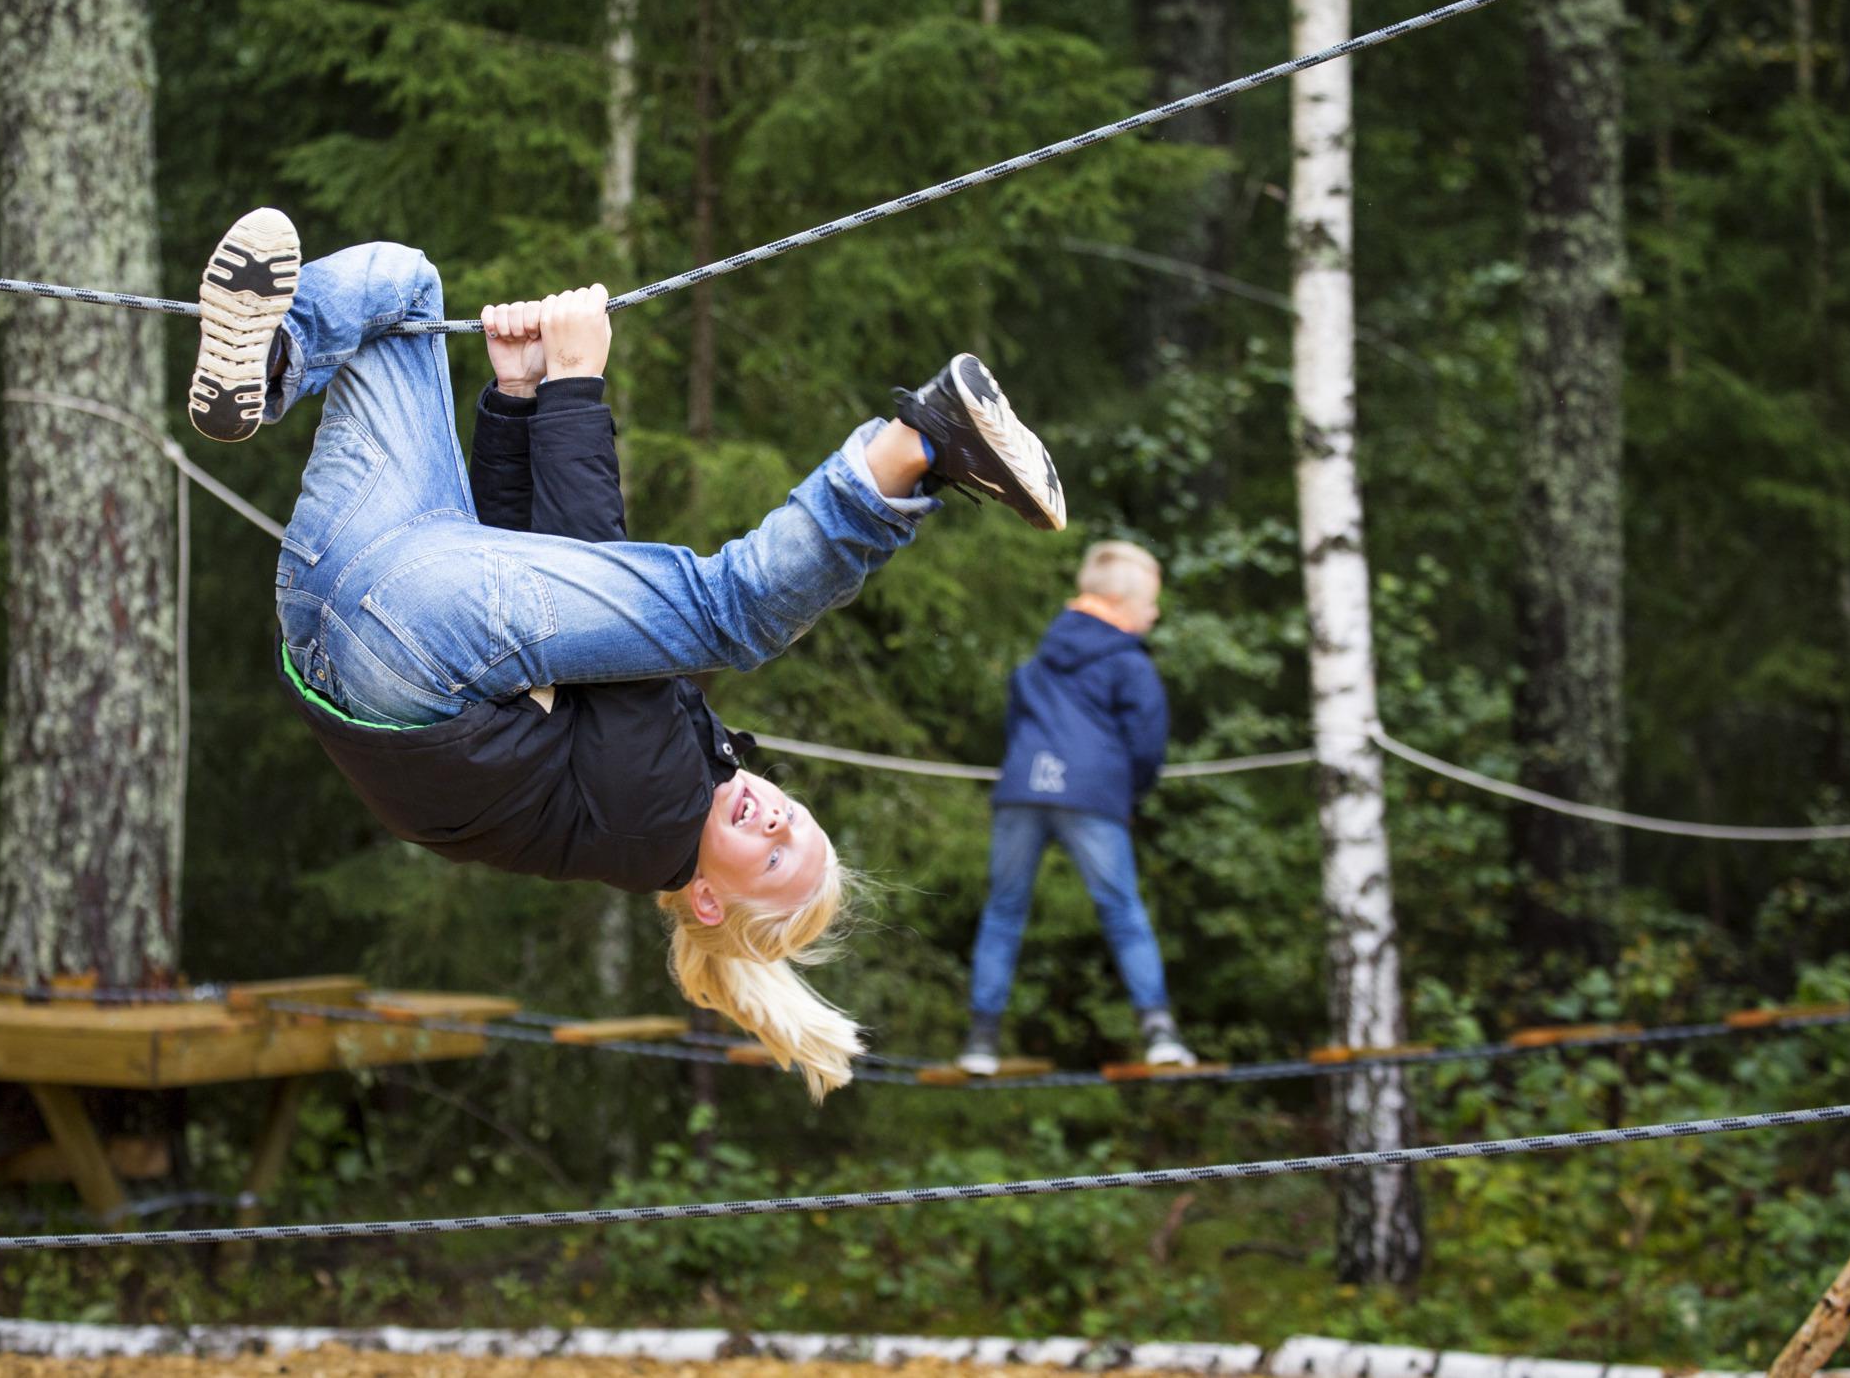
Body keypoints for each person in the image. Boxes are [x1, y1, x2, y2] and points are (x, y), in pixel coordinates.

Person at [184, 208, 1066, 1099]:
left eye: (768, 856)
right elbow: (514, 573)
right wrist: (517, 399)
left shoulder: (655, 824)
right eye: (796, 824)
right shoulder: (659, 799)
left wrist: (575, 383)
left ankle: (922, 441)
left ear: (710, 900)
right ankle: (272, 358)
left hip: (407, 660)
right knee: (403, 289)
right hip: (353, 590)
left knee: (730, 609)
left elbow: (587, 560)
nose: (773, 821)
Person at [957, 540, 1198, 1075]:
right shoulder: (1129, 663)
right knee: (1123, 913)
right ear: (1118, 602)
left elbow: (1016, 719)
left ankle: (980, 1042)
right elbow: (1148, 743)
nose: (1154, 613)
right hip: (1092, 794)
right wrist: (1129, 795)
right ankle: (1159, 1032)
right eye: (1149, 603)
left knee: (1002, 912)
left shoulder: (1038, 660)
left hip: (1022, 788)